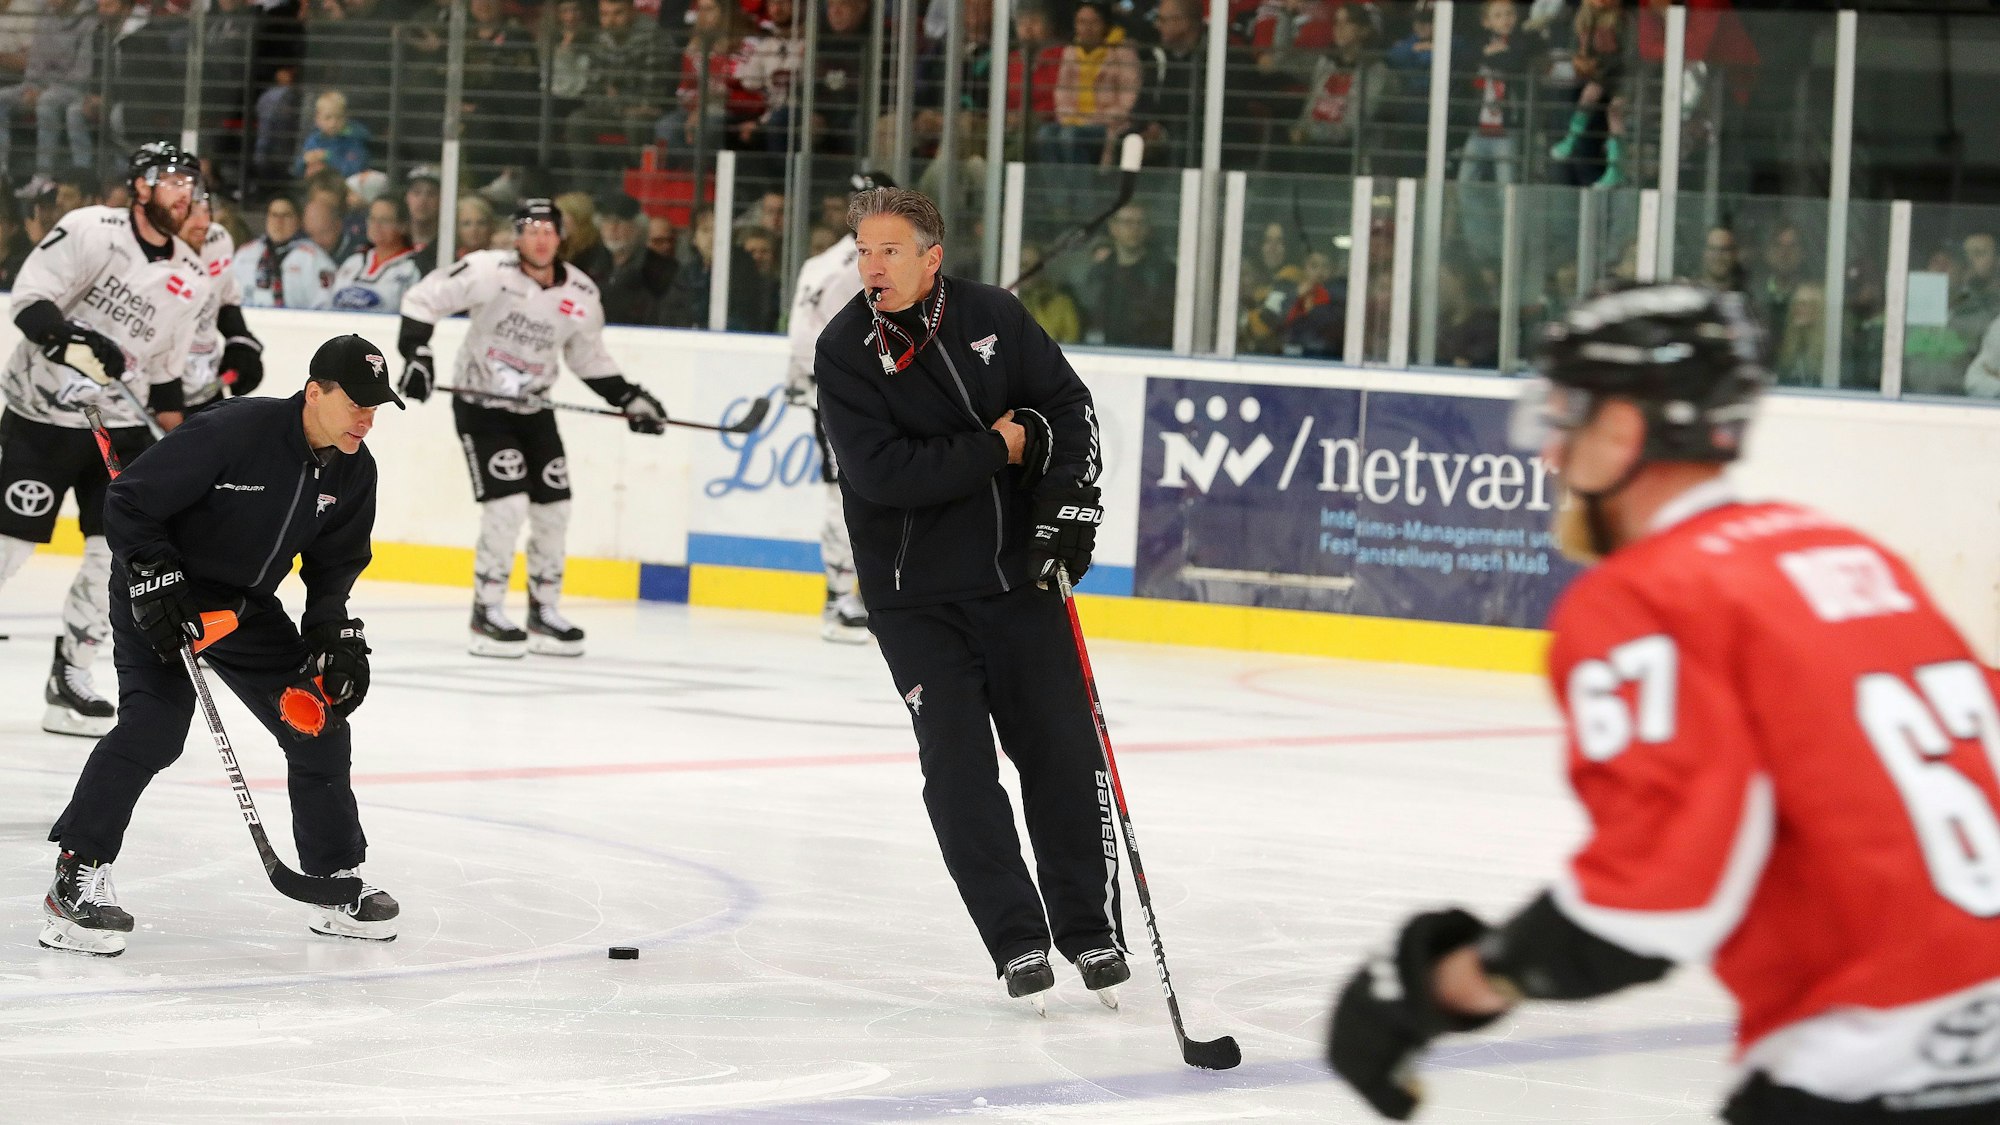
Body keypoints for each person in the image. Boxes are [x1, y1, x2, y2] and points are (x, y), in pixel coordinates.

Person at [1327, 283, 2000, 1124]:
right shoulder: (1850, 553)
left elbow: (1657, 900)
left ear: (1623, 430)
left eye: (1565, 415)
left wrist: (1445, 984)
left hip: (1863, 1071)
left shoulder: (1646, 598)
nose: (1548, 454)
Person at [814, 186, 1129, 1008]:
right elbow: (885, 476)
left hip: (1020, 581)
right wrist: (1000, 442)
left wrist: (1067, 506)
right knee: (958, 773)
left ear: (930, 257)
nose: (870, 268)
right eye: (861, 253)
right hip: (915, 600)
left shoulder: (995, 315)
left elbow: (1067, 408)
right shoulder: (846, 348)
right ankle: (1018, 939)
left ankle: (1090, 929)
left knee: (1063, 755)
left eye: (887, 252)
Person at [40, 334, 404, 957]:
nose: (367, 419)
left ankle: (332, 876)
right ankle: (76, 875)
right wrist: (154, 575)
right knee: (154, 730)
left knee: (317, 722)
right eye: (357, 403)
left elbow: (334, 563)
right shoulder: (236, 431)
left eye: (377, 406)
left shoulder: (353, 467)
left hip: (242, 609)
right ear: (315, 392)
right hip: (161, 597)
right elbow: (127, 500)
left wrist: (330, 635)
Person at [396, 198, 667, 658]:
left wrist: (629, 397)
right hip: (481, 406)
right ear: (517, 235)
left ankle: (543, 612)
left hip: (535, 409)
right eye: (530, 228)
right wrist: (417, 356)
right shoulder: (487, 271)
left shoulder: (580, 292)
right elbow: (422, 300)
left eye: (549, 229)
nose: (540, 237)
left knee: (554, 508)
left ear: (562, 237)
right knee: (508, 506)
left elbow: (588, 357)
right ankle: (486, 613)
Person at [0, 141, 205, 738]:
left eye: (189, 182)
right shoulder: (91, 230)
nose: (182, 191)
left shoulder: (189, 277)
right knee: (10, 546)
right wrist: (79, 343)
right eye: (169, 179)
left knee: (110, 555)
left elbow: (165, 380)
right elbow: (31, 304)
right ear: (140, 186)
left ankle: (70, 677)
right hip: (40, 414)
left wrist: (187, 443)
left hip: (113, 428)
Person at [784, 169, 893, 644]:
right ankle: (842, 598)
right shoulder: (865, 265)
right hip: (848, 398)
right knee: (851, 492)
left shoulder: (821, 261)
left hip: (831, 394)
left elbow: (799, 337)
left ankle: (844, 593)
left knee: (850, 491)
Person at [178, 191, 266, 412]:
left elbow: (225, 298)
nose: (202, 223)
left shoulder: (218, 240)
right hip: (154, 392)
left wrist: (239, 340)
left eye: (206, 211)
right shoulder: (142, 255)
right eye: (190, 213)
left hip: (205, 385)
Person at [329, 194, 422, 313]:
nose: (376, 226)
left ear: (403, 225)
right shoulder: (353, 262)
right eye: (372, 218)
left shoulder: (413, 269)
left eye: (384, 220)